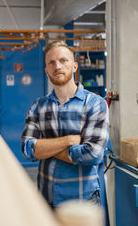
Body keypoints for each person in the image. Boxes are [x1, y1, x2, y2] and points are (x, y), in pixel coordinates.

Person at [21, 40, 109, 208]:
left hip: (84, 202)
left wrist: (45, 149)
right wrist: (68, 141)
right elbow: (27, 149)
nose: (57, 66)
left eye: (63, 60)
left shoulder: (95, 104)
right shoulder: (38, 107)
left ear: (75, 66)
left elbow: (93, 154)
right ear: (46, 70)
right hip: (46, 201)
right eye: (51, 63)